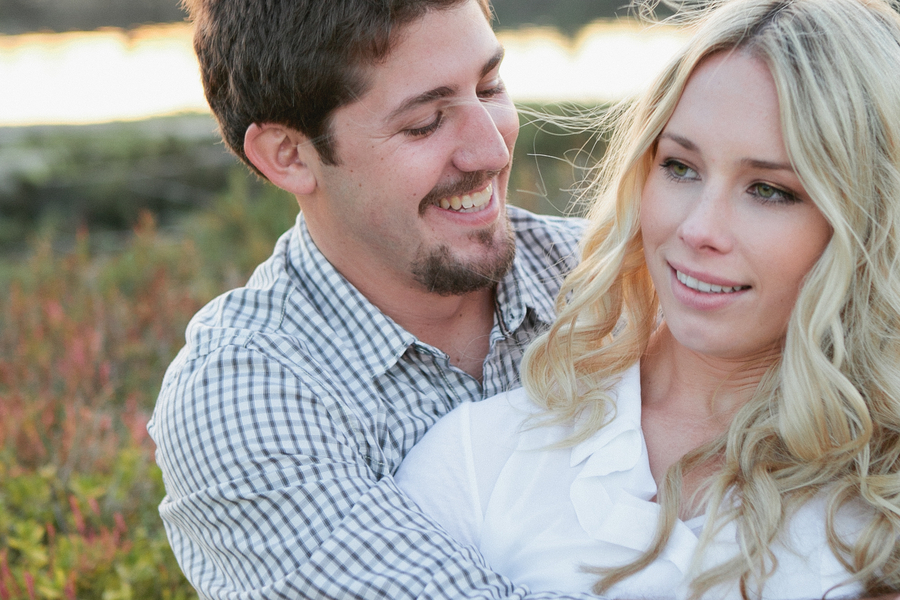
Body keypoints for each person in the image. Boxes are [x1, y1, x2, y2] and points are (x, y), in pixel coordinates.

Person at [395, 0, 900, 598]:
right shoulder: (481, 460)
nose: (698, 229)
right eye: (681, 167)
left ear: (869, 223)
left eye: (768, 190)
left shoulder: (881, 494)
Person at [148, 0, 589, 598]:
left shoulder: (617, 277)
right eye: (424, 123)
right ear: (289, 155)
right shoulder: (245, 395)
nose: (493, 151)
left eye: (489, 88)